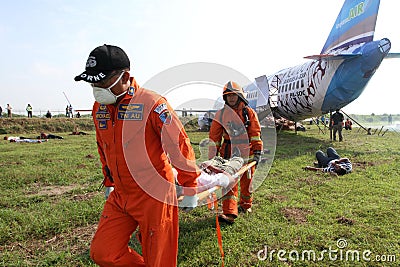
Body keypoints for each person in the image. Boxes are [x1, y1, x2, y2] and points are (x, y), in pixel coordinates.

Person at [74, 44, 200, 266]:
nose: (96, 88)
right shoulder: (99, 108)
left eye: (101, 81)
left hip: (154, 196)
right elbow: (102, 146)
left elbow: (179, 145)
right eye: (92, 82)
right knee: (103, 252)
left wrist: (190, 186)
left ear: (124, 77)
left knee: (159, 260)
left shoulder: (152, 104)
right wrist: (109, 180)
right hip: (122, 195)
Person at [208, 81, 263, 224]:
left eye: (234, 95)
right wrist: (212, 158)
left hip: (247, 154)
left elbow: (255, 134)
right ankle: (230, 213)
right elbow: (214, 138)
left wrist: (257, 152)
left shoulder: (249, 113)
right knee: (229, 183)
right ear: (225, 98)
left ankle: (246, 205)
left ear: (240, 96)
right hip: (228, 155)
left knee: (247, 182)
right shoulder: (220, 115)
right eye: (228, 96)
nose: (231, 98)